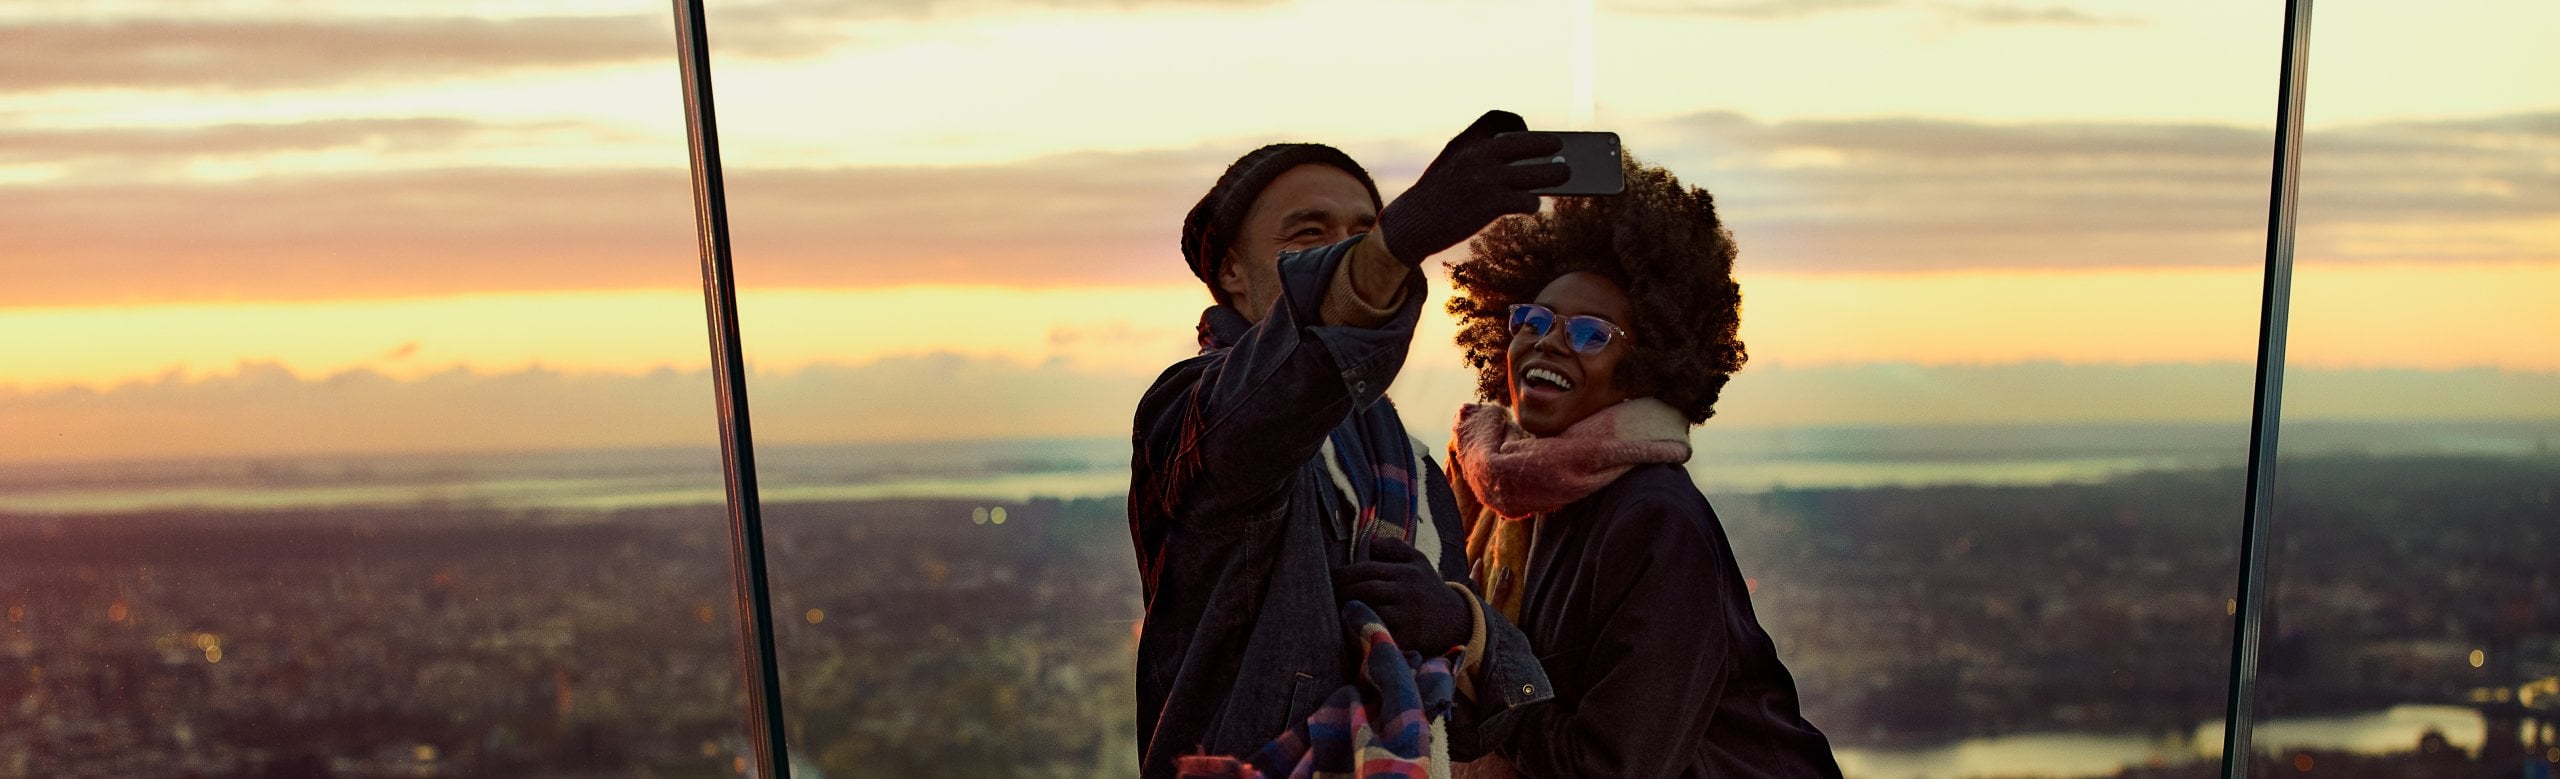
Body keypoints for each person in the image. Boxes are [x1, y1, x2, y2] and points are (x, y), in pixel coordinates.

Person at [1129, 111, 1566, 778]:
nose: (1344, 250)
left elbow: (1482, 725)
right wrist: (1394, 244)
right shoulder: (1191, 413)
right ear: (1232, 273)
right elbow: (1287, 386)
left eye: (1361, 231)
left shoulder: (1412, 471)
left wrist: (1458, 620)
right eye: (1309, 234)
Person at [1440, 157, 1842, 777]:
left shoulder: (1655, 519)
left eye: (1591, 334)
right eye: (1534, 320)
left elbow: (1616, 766)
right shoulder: (1493, 487)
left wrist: (1486, 674)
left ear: (1647, 366)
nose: (1549, 341)